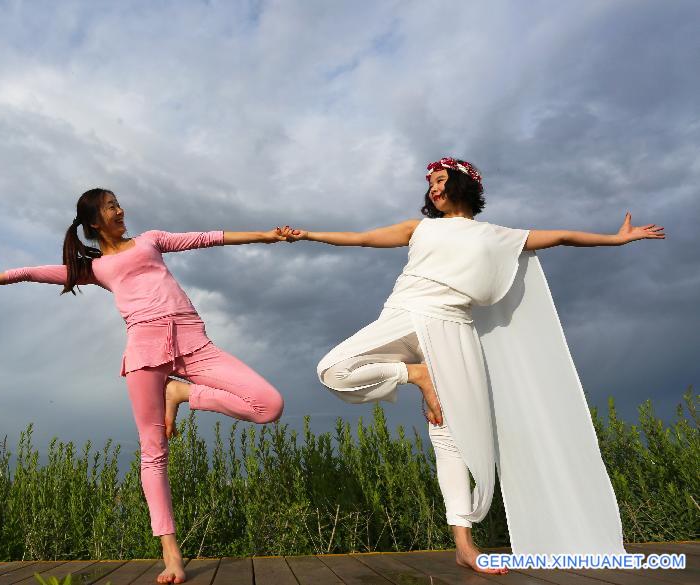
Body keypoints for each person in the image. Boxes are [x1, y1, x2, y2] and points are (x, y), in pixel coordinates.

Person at [280, 157, 664, 574]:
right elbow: (362, 238)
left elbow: (563, 236)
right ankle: (416, 375)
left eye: (441, 181)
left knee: (451, 439)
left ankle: (464, 546)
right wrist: (308, 235)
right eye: (430, 184)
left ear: (462, 184)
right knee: (333, 369)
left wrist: (616, 239)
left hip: (454, 329)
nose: (434, 189)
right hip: (407, 315)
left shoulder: (498, 236)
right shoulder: (421, 228)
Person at [0, 188, 286, 584]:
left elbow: (208, 237)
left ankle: (182, 392)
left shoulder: (151, 240)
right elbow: (30, 273)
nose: (120, 210)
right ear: (93, 223)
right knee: (153, 453)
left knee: (268, 405)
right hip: (144, 352)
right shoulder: (95, 268)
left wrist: (265, 236)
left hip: (193, 343)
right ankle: (171, 554)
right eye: (111, 206)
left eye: (118, 204)